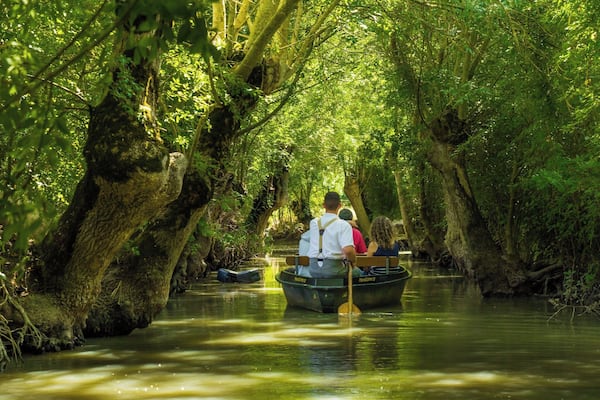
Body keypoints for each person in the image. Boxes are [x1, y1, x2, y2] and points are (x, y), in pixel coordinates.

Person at [307, 192, 358, 278]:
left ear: (324, 205)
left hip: (314, 269)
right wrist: (353, 262)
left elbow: (328, 226)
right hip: (334, 270)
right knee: (359, 273)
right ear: (340, 205)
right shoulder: (344, 226)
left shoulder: (314, 223)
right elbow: (348, 251)